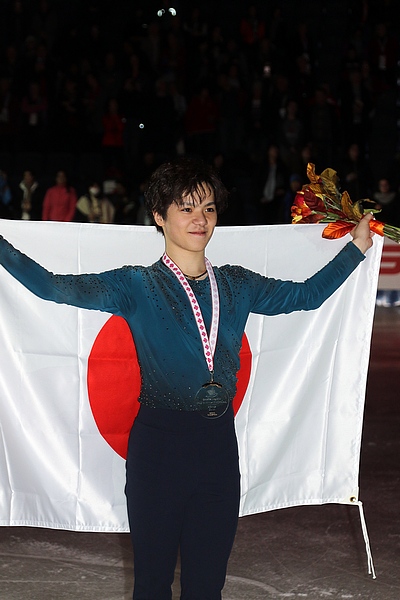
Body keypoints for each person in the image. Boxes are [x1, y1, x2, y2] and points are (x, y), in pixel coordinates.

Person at [0, 157, 374, 599]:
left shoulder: (237, 284)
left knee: (206, 587)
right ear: (158, 216)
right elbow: (51, 286)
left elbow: (307, 295)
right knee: (153, 584)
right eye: (186, 208)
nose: (200, 219)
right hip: (158, 451)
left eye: (209, 209)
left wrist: (356, 247)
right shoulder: (135, 285)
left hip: (218, 451)